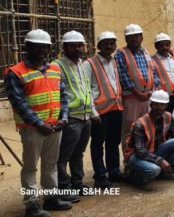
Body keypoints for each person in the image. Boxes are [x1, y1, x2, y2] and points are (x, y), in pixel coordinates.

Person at [5, 29, 77, 216]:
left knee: (51, 163)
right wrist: (39, 123)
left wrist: (64, 118)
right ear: (27, 47)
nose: (42, 50)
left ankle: (51, 198)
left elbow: (63, 97)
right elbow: (19, 103)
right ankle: (32, 205)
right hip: (32, 129)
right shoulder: (15, 72)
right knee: (30, 166)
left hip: (55, 126)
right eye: (37, 46)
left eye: (45, 47)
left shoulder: (54, 69)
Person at [53, 31, 99, 195]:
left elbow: (87, 90)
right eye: (73, 46)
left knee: (78, 153)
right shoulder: (57, 66)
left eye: (80, 45)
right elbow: (57, 93)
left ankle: (77, 183)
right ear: (64, 47)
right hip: (70, 118)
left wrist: (93, 112)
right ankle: (64, 188)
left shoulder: (83, 64)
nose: (78, 49)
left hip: (85, 117)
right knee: (63, 156)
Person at [124, 90, 174, 185]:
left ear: (166, 106)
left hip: (155, 151)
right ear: (151, 105)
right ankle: (134, 173)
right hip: (137, 155)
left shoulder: (168, 116)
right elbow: (140, 151)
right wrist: (161, 161)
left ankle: (163, 171)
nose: (159, 107)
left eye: (162, 105)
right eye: (156, 104)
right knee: (154, 170)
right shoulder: (140, 124)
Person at [84, 31, 124, 188]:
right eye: (105, 43)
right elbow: (86, 89)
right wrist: (92, 111)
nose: (109, 46)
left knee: (113, 142)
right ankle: (100, 176)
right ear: (99, 46)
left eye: (112, 43)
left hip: (116, 109)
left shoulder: (114, 62)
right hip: (99, 112)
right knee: (98, 144)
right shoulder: (89, 63)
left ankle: (114, 171)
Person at [115, 24, 158, 145]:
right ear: (126, 39)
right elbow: (123, 76)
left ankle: (143, 155)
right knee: (130, 129)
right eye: (130, 37)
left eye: (136, 36)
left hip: (147, 98)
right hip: (131, 98)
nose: (134, 39)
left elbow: (153, 72)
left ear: (142, 37)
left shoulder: (146, 52)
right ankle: (128, 158)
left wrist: (152, 91)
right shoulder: (121, 54)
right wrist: (137, 93)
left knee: (146, 128)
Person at [151, 33, 174, 112]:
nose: (165, 47)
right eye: (162, 45)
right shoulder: (152, 60)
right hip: (161, 98)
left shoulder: (173, 60)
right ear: (156, 46)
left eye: (167, 45)